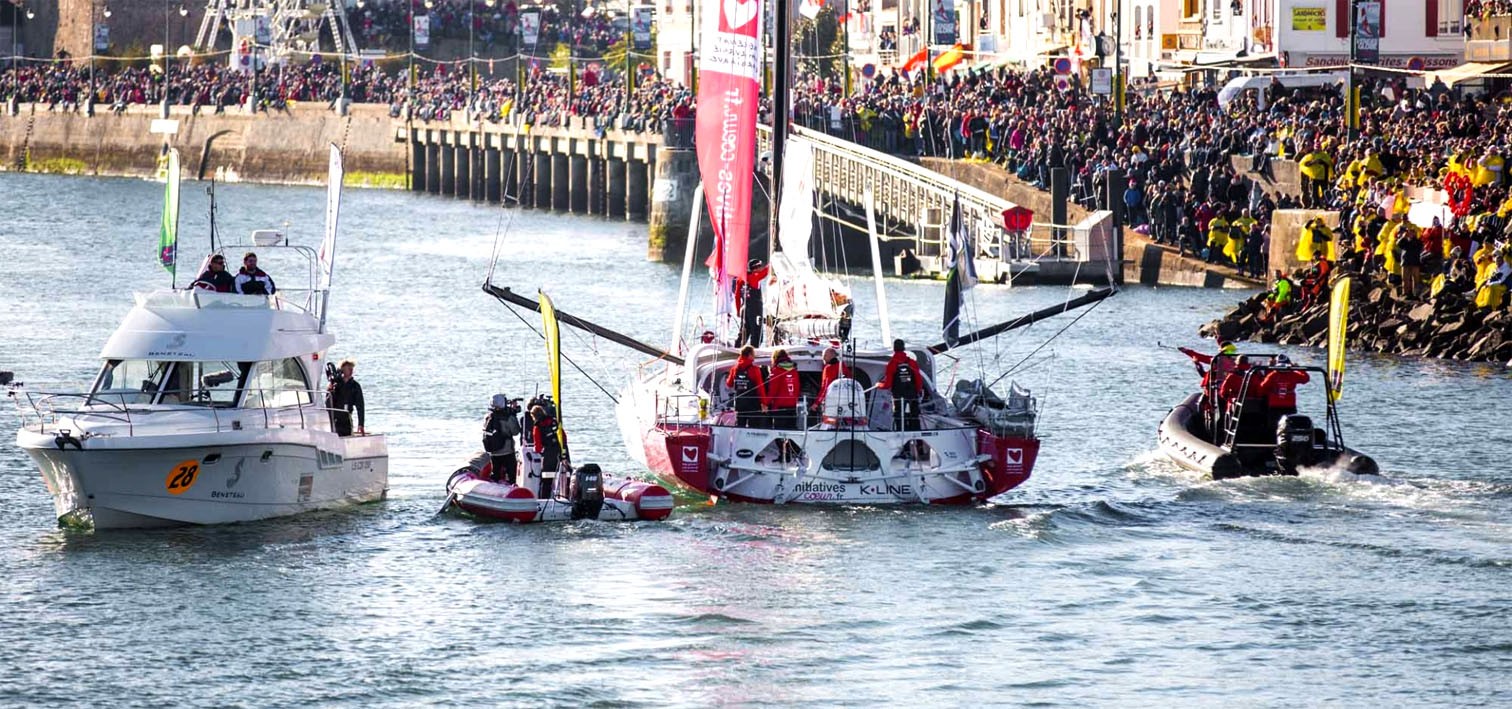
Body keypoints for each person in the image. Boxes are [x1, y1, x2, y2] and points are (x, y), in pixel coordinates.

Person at [879, 339, 923, 431]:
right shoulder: (912, 362)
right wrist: (918, 392)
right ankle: (919, 443)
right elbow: (919, 381)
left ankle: (903, 442)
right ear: (904, 348)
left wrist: (879, 385)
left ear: (894, 349)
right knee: (915, 418)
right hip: (912, 395)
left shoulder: (892, 364)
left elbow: (887, 385)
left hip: (899, 397)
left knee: (899, 418)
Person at [482, 394, 521, 484]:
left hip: (493, 451)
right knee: (511, 474)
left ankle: (493, 487)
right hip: (507, 451)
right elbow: (516, 432)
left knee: (495, 472)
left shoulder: (488, 417)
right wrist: (513, 414)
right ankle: (511, 487)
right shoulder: (508, 418)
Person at [1258, 356, 1310, 423]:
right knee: (1290, 423)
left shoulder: (1272, 375)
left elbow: (1262, 387)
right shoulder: (1293, 375)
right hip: (1289, 405)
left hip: (1275, 405)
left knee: (1274, 425)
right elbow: (1306, 378)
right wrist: (1299, 368)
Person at [725, 345, 766, 428]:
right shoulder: (755, 369)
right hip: (753, 404)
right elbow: (760, 388)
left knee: (740, 426)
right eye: (753, 354)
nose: (754, 356)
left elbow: (729, 384)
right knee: (753, 428)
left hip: (740, 404)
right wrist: (764, 403)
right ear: (749, 355)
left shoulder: (735, 368)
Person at [764, 349, 801, 430]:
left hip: (780, 406)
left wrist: (765, 403)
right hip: (792, 406)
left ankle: (782, 443)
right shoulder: (794, 370)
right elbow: (797, 388)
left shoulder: (776, 371)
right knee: (791, 430)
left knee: (779, 432)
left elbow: (773, 390)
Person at [327, 359, 365, 437]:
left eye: (352, 369)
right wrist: (330, 389)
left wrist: (361, 424)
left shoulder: (355, 386)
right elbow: (328, 403)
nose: (351, 371)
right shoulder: (335, 384)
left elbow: (360, 406)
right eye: (349, 368)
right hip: (336, 418)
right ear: (342, 369)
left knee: (348, 437)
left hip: (347, 418)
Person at [531, 404, 566, 476]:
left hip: (549, 453)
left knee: (547, 476)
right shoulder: (554, 421)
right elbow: (563, 436)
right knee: (563, 474)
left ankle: (547, 487)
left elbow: (538, 447)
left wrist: (536, 450)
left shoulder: (537, 427)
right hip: (560, 450)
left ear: (534, 416)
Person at [814, 346, 853, 410]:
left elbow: (825, 388)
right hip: (845, 400)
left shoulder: (828, 368)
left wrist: (816, 403)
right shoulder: (843, 366)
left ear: (830, 356)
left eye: (824, 355)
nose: (822, 358)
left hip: (831, 402)